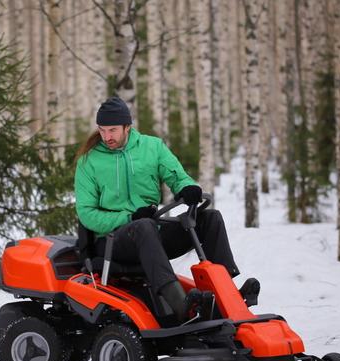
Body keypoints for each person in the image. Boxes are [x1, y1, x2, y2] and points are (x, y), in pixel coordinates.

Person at [74, 97, 257, 323]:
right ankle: (182, 307)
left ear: (127, 127)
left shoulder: (152, 147)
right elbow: (87, 214)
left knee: (210, 218)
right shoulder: (89, 161)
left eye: (112, 130)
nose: (107, 137)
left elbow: (177, 176)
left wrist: (187, 187)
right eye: (102, 131)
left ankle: (227, 295)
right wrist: (128, 218)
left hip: (151, 233)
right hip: (114, 241)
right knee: (143, 226)